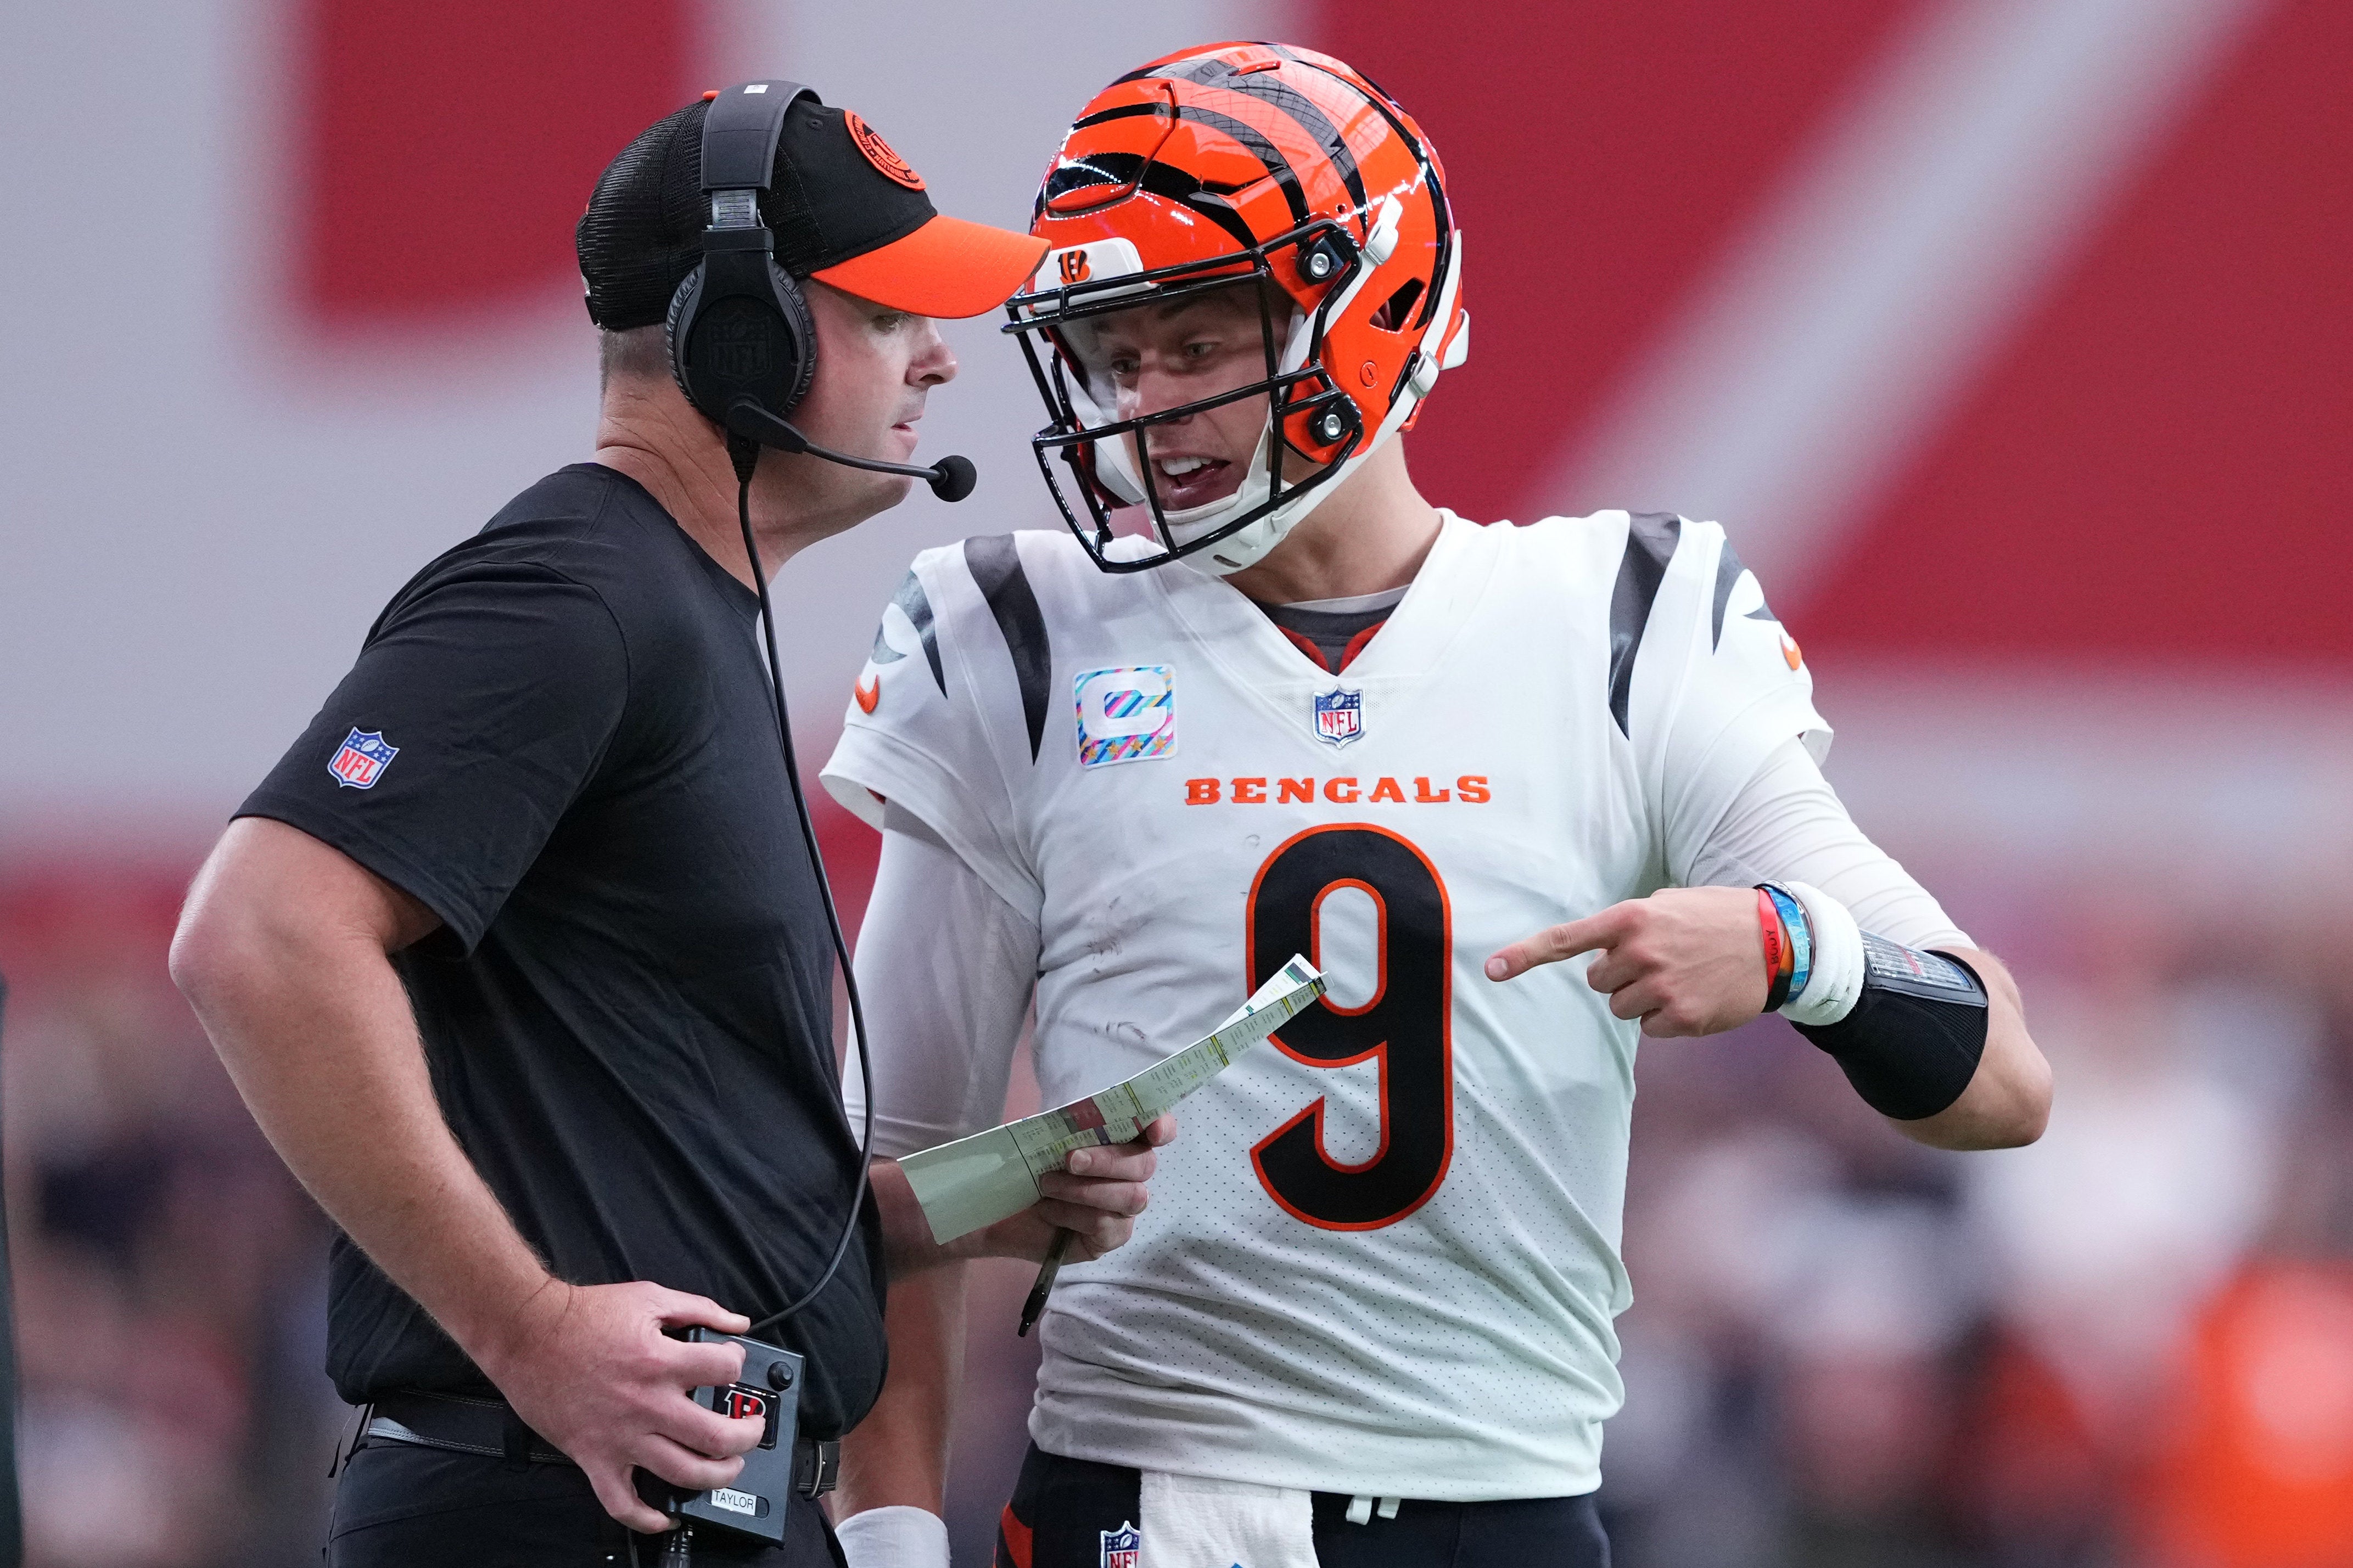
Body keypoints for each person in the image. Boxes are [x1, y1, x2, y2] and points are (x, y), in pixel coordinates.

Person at [817, 41, 2053, 1568]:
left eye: (1194, 343)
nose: (1147, 408)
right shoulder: (1017, 634)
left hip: (1513, 1508)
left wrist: (1802, 953)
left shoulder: (1622, 620)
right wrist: (888, 1549)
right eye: (1115, 359)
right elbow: (890, 1186)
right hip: (1153, 1500)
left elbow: (2004, 1079)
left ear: (1370, 310)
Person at [168, 81, 1169, 1568]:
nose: (940, 356)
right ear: (743, 336)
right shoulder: (577, 595)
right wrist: (529, 1329)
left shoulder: (666, 605)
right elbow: (258, 936)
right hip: (561, 1516)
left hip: (667, 1513)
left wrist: (977, 1199)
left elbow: (675, 1183)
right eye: (887, 313)